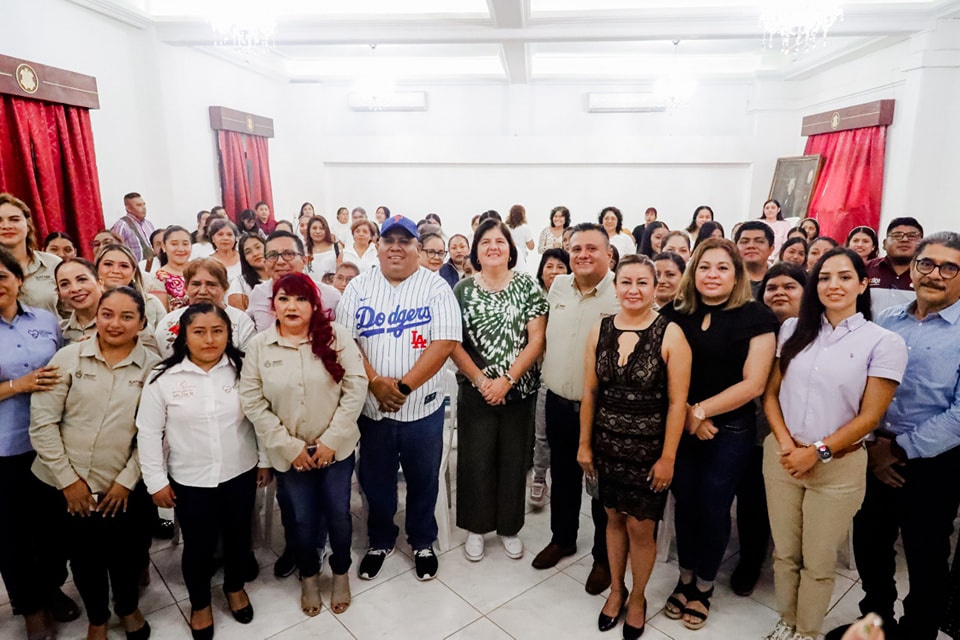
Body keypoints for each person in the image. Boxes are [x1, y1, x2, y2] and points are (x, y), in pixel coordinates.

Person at [763, 248, 906, 640]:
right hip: (782, 456)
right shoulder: (793, 330)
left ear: (863, 284)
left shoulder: (883, 341)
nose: (833, 285)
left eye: (845, 277)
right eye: (824, 277)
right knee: (785, 553)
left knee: (818, 560)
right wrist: (786, 444)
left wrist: (817, 452)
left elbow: (869, 417)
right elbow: (771, 394)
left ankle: (807, 631)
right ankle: (786, 621)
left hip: (837, 466)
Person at [828, 232, 960, 640]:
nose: (934, 274)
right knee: (871, 544)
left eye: (949, 267)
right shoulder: (885, 322)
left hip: (933, 461)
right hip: (873, 451)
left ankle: (918, 631)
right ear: (913, 268)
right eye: (926, 264)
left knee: (926, 555)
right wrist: (872, 445)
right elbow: (859, 386)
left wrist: (898, 450)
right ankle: (876, 622)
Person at [658, 238, 778, 631]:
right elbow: (658, 369)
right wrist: (689, 418)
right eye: (705, 266)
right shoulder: (675, 312)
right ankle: (686, 577)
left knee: (713, 507)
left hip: (729, 430)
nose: (712, 275)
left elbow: (754, 383)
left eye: (722, 268)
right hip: (681, 426)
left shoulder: (755, 316)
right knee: (686, 502)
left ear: (737, 274)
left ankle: (705, 587)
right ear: (693, 271)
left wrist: (701, 411)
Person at [335, 215, 461, 582]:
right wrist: (375, 382)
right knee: (376, 480)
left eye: (404, 241)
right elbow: (347, 341)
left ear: (417, 249)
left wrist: (402, 387)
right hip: (373, 409)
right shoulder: (358, 287)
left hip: (422, 406)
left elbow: (445, 343)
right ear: (377, 246)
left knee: (424, 479)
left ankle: (422, 540)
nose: (395, 246)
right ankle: (380, 539)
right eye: (388, 239)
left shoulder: (435, 288)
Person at [30, 286, 160, 640]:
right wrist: (68, 482)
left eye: (126, 316)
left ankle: (128, 608)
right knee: (84, 558)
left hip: (123, 486)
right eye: (107, 314)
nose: (115, 323)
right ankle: (98, 618)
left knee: (129, 554)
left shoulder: (154, 370)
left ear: (142, 323)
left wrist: (127, 481)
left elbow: (154, 433)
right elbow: (42, 424)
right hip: (65, 486)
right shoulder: (68, 359)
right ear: (97, 316)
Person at [578, 255, 691, 639]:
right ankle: (616, 589)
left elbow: (678, 403)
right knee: (611, 519)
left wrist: (668, 458)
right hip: (607, 444)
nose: (633, 290)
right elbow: (590, 392)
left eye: (642, 282)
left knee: (641, 528)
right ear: (616, 286)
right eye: (626, 282)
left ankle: (639, 597)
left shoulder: (670, 333)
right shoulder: (601, 329)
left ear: (655, 286)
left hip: (648, 450)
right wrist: (584, 445)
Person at [241, 273, 366, 616]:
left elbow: (356, 388)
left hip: (335, 450)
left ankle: (340, 571)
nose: (291, 306)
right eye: (283, 299)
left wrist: (331, 440)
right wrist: (289, 446)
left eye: (300, 299)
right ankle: (309, 577)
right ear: (274, 305)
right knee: (301, 519)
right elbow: (252, 402)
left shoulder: (337, 337)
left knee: (338, 514)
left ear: (314, 305)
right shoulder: (259, 346)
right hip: (290, 454)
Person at [139, 303, 265, 638]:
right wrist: (155, 483)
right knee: (198, 545)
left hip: (240, 471)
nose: (209, 339)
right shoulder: (163, 378)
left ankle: (235, 588)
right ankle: (200, 603)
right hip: (190, 479)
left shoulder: (243, 368)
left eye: (217, 331)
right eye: (199, 331)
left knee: (240, 537)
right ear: (184, 336)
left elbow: (260, 415)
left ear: (228, 334)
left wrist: (264, 459)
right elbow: (148, 433)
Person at [451, 220, 548, 561]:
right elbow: (452, 342)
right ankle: (476, 529)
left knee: (513, 460)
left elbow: (536, 339)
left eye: (500, 241)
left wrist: (507, 380)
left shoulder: (528, 286)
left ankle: (509, 527)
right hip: (475, 390)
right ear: (476, 250)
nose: (493, 247)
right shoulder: (461, 290)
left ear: (511, 248)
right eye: (485, 242)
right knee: (476, 461)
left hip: (518, 391)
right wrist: (481, 381)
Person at [533, 223, 620, 596]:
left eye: (591, 248)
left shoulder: (622, 292)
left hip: (602, 409)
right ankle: (563, 539)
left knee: (600, 486)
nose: (582, 255)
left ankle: (603, 558)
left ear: (608, 254)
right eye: (576, 249)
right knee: (563, 477)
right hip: (557, 401)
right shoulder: (559, 286)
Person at [0, 247, 78, 640]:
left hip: (49, 444)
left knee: (53, 530)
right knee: (11, 536)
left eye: (2, 276)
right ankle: (29, 607)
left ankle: (51, 588)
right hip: (4, 450)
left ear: (18, 280)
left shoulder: (46, 320)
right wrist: (18, 386)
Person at [528, 248, 570, 507]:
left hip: (562, 374)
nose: (553, 272)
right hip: (536, 374)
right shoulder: (533, 296)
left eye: (560, 267)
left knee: (563, 435)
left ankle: (558, 476)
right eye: (549, 266)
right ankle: (539, 477)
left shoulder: (572, 298)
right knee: (541, 434)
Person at [154, 259, 255, 358]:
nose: (202, 291)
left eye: (211, 285)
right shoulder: (168, 322)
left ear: (224, 288)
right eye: (196, 284)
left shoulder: (242, 322)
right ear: (186, 288)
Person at [57, 258, 160, 354]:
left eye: (82, 280)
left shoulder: (129, 321)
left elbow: (153, 363)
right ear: (59, 293)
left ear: (100, 282)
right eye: (65, 284)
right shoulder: (59, 331)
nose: (75, 288)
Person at [246, 231, 340, 333]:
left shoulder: (330, 296)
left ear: (304, 260)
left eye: (288, 254)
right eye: (273, 255)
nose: (280, 261)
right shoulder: (258, 294)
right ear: (265, 264)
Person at [0, 193, 61, 315]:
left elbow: (71, 314)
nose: (6, 226)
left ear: (28, 226)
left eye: (14, 219)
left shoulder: (53, 264)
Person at [94, 244, 167, 334]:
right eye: (108, 264)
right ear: (96, 269)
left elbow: (165, 340)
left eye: (124, 266)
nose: (115, 271)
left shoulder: (151, 303)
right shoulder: (86, 304)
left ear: (133, 273)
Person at [867, 217, 924, 313]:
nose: (904, 239)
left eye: (912, 236)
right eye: (897, 235)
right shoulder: (865, 269)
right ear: (884, 244)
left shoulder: (930, 274)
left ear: (923, 244)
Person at [154, 226, 193, 311]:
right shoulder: (157, 278)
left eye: (185, 244)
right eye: (174, 244)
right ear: (164, 247)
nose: (180, 249)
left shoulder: (201, 272)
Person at [110, 192, 155, 263]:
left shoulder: (149, 224)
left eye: (144, 204)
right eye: (139, 205)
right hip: (134, 269)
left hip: (153, 268)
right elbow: (115, 251)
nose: (143, 208)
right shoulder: (122, 226)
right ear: (129, 209)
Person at [227, 234, 267, 311]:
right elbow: (239, 318)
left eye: (258, 247)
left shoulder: (282, 275)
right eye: (248, 252)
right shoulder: (239, 283)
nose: (255, 254)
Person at [737, 221, 776, 296]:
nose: (751, 246)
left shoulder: (780, 278)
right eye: (744, 242)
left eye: (759, 241)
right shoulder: (728, 279)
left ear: (771, 249)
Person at [207, 219, 242, 285]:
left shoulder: (244, 258)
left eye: (229, 234)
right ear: (213, 239)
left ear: (236, 238)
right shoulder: (207, 262)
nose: (225, 238)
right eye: (220, 234)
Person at [506, 204, 536, 273]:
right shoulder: (525, 228)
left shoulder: (505, 227)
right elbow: (531, 247)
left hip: (507, 258)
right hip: (521, 258)